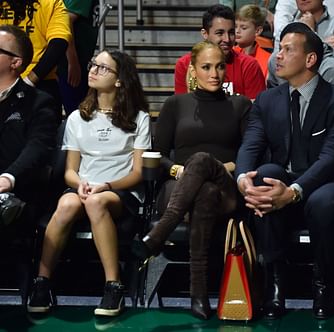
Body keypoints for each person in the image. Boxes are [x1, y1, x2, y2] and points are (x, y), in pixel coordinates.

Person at [235, 22, 334, 320]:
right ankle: (275, 284)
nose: (278, 55)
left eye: (287, 49)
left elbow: (332, 158)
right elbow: (250, 144)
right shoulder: (267, 100)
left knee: (324, 200)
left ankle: (324, 286)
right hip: (283, 182)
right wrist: (243, 179)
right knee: (264, 174)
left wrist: (293, 192)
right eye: (279, 48)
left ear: (310, 60)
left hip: (328, 184)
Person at [27, 50, 152, 317]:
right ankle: (42, 282)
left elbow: (138, 172)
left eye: (103, 68)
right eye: (92, 64)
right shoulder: (76, 117)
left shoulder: (139, 118)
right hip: (83, 185)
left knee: (96, 202)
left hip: (120, 190)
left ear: (119, 80)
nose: (93, 70)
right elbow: (70, 171)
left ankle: (113, 286)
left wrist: (106, 185)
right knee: (66, 204)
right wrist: (81, 183)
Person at [133, 41, 251, 320]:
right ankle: (198, 294)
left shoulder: (240, 104)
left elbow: (250, 153)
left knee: (201, 162)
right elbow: (157, 155)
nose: (215, 73)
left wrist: (215, 166)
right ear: (193, 70)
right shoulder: (176, 104)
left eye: (220, 66)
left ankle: (159, 234)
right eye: (207, 67)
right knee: (203, 191)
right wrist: (178, 171)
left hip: (227, 184)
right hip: (181, 185)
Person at [0, 24, 58, 232]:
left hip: (15, 193)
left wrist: (8, 177)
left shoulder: (38, 102)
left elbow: (37, 147)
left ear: (15, 62)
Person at [0, 0, 72, 122]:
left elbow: (59, 43)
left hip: (39, 83)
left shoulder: (51, 3)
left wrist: (28, 82)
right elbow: (59, 43)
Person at [174, 4, 265, 100]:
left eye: (231, 32)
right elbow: (182, 107)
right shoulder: (185, 64)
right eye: (220, 33)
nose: (227, 39)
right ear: (205, 34)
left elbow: (256, 109)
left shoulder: (249, 65)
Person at [268, 0, 334, 88]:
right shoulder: (285, 30)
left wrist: (310, 33)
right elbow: (276, 64)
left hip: (328, 93)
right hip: (288, 94)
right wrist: (324, 43)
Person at [57, 0, 99, 115]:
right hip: (70, 62)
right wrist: (73, 62)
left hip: (80, 60)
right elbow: (66, 21)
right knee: (78, 114)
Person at [234, 4, 271, 78]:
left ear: (257, 31)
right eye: (235, 26)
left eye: (243, 28)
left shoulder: (268, 59)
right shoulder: (229, 54)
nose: (237, 31)